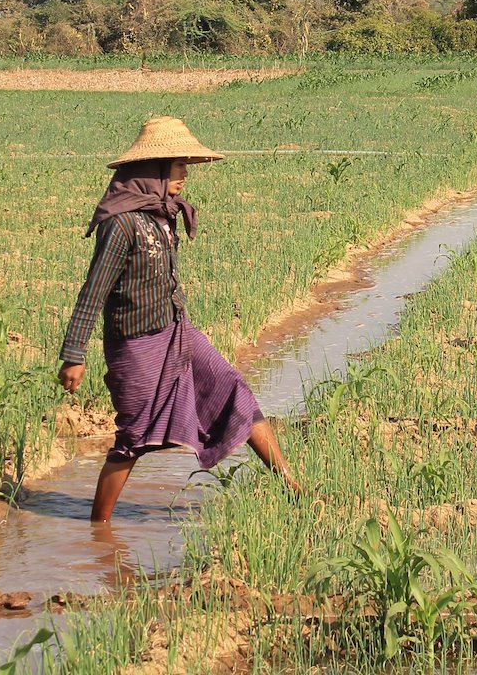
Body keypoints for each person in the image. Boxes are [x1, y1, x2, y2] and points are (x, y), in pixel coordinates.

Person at [56, 115, 301, 522]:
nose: (185, 174)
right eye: (179, 165)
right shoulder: (121, 225)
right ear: (153, 170)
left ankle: (294, 488)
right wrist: (74, 354)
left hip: (179, 334)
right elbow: (93, 291)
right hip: (136, 346)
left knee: (237, 392)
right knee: (133, 439)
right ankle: (98, 530)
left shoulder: (164, 215)